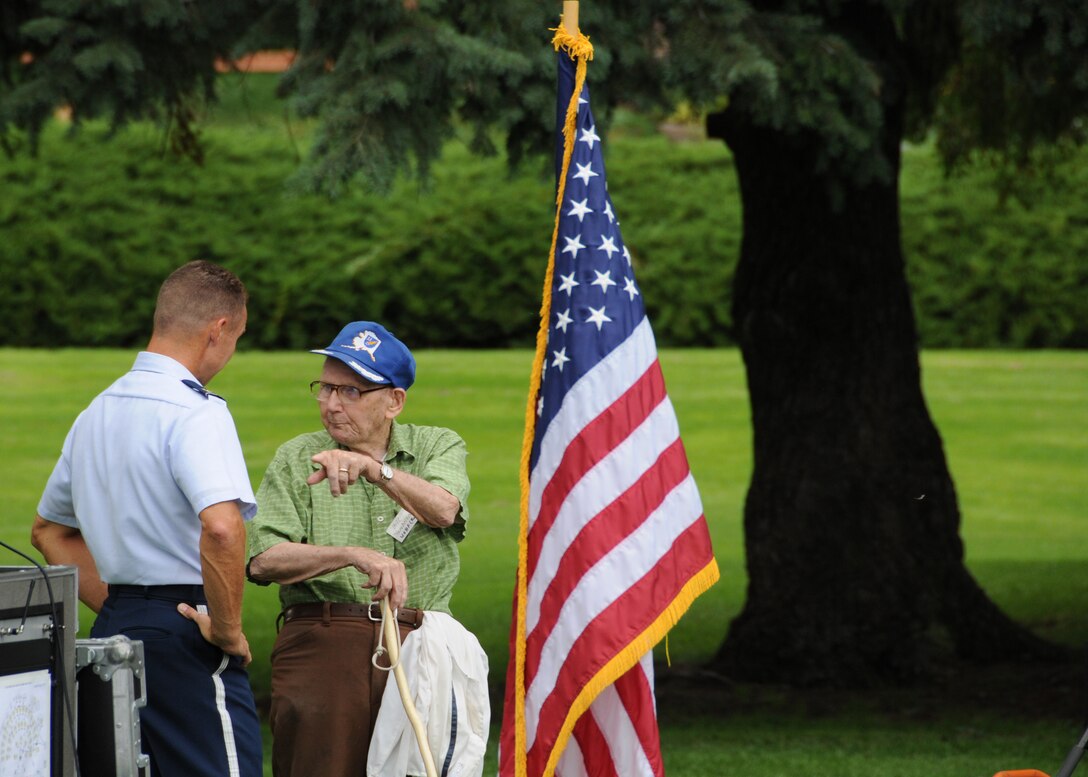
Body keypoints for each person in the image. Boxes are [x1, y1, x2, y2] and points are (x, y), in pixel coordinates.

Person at [31, 260, 262, 777]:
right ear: (218, 330)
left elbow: (50, 531)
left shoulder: (97, 411)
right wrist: (226, 631)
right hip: (189, 629)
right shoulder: (197, 411)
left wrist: (125, 607)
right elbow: (222, 527)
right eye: (237, 338)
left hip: (114, 624)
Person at [246, 320, 471, 777]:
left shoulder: (436, 445)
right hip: (322, 645)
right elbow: (263, 559)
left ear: (394, 401)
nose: (330, 405)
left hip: (421, 644)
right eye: (325, 388)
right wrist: (351, 554)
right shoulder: (297, 456)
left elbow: (445, 510)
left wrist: (373, 470)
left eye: (350, 392)